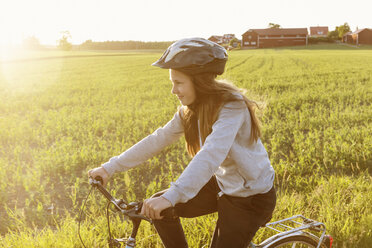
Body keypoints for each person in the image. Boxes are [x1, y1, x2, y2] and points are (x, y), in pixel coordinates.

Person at [88, 37, 276, 248]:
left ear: (200, 82)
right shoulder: (190, 110)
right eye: (172, 83)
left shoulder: (233, 107)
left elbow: (211, 153)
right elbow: (157, 139)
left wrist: (173, 195)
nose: (173, 90)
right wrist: (109, 168)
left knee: (167, 202)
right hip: (224, 185)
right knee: (160, 210)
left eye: (178, 83)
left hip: (251, 197)